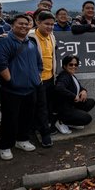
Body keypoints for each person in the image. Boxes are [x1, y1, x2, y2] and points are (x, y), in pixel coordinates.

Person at [0, 14, 43, 161]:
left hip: (31, 88)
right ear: (12, 25)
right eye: (20, 24)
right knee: (10, 119)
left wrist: (36, 77)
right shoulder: (5, 42)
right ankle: (5, 145)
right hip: (12, 90)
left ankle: (22, 140)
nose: (24, 26)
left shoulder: (31, 43)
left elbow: (39, 63)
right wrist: (10, 80)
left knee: (27, 117)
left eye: (27, 24)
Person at [28, 11, 57, 147]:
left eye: (52, 24)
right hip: (37, 79)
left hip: (50, 77)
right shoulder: (31, 37)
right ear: (38, 22)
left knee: (48, 105)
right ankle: (45, 134)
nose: (50, 27)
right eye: (46, 24)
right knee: (41, 107)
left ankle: (43, 128)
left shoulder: (52, 36)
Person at [54, 55, 95, 129]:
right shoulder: (64, 76)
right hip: (64, 108)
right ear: (65, 65)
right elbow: (59, 87)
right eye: (71, 64)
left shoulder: (71, 75)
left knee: (90, 102)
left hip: (72, 104)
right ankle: (62, 121)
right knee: (87, 118)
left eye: (75, 65)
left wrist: (84, 91)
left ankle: (72, 121)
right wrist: (73, 96)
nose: (73, 66)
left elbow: (78, 87)